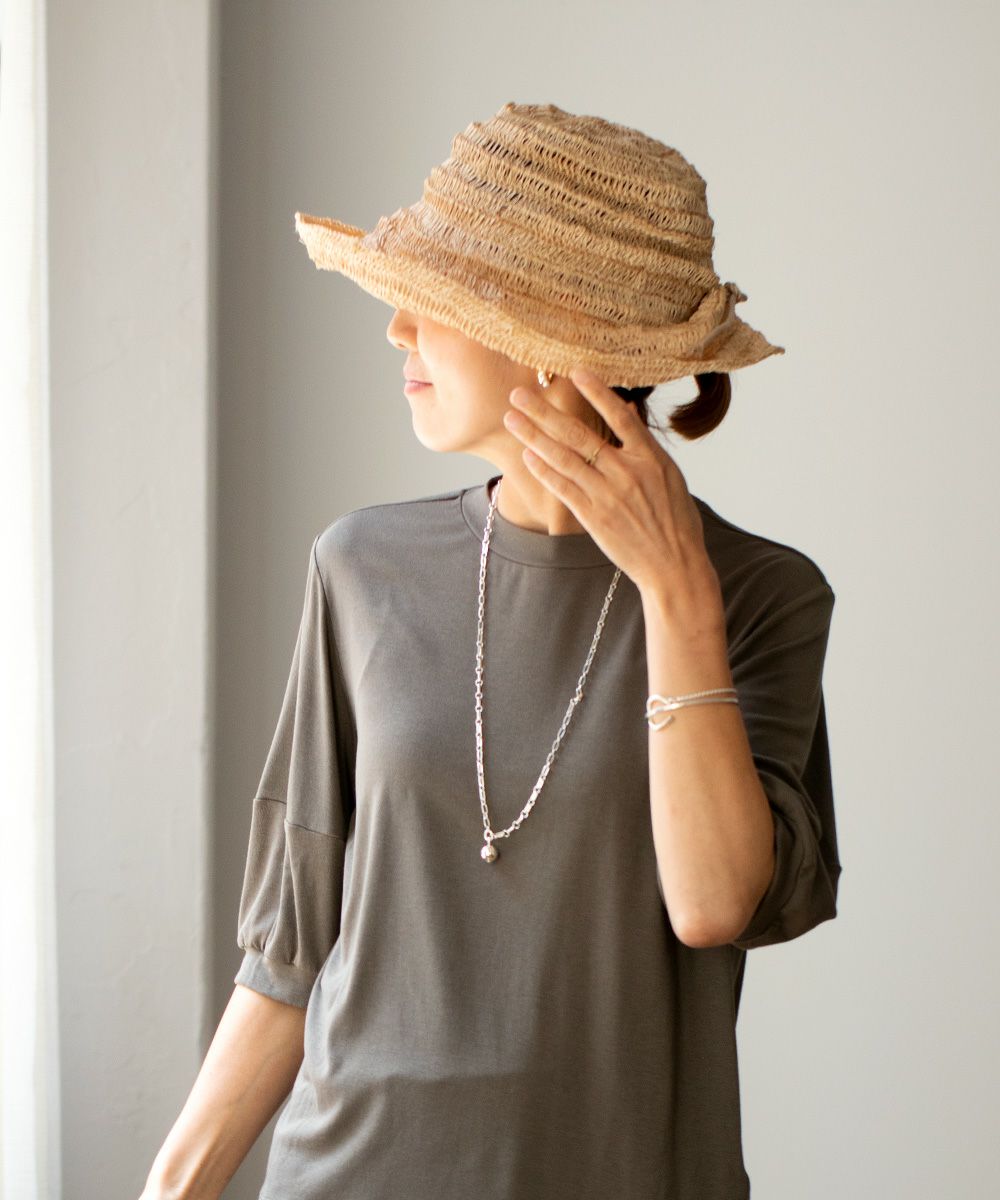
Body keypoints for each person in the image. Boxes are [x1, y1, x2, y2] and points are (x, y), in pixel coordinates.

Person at [141, 101, 841, 1200]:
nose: (396, 330)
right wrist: (171, 1188)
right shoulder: (361, 566)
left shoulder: (760, 597)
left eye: (435, 300)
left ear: (557, 344)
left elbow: (713, 904)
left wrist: (676, 595)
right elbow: (288, 952)